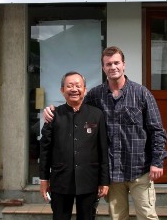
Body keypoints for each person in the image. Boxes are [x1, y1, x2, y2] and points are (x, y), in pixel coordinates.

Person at [43, 46, 167, 220]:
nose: (113, 67)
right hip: (114, 173)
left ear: (124, 65)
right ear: (103, 68)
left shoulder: (142, 94)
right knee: (117, 217)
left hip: (140, 168)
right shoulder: (95, 95)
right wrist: (51, 111)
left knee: (147, 216)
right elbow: (75, 109)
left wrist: (157, 161)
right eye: (108, 64)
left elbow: (157, 131)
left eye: (116, 63)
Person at [39, 71, 109, 220]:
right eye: (69, 86)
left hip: (88, 180)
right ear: (62, 90)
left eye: (78, 86)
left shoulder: (97, 115)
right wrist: (44, 179)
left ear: (85, 89)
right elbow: (45, 150)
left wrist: (104, 181)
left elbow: (103, 150)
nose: (74, 89)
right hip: (61, 181)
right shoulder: (53, 115)